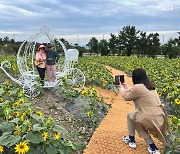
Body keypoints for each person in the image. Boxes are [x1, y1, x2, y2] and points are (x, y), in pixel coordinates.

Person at [119, 68, 169, 154]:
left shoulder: (138, 87)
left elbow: (127, 97)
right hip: (160, 116)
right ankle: (134, 140)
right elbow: (138, 92)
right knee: (132, 116)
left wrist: (121, 88)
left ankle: (149, 146)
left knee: (135, 119)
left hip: (149, 117)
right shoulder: (150, 86)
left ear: (134, 78)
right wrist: (127, 87)